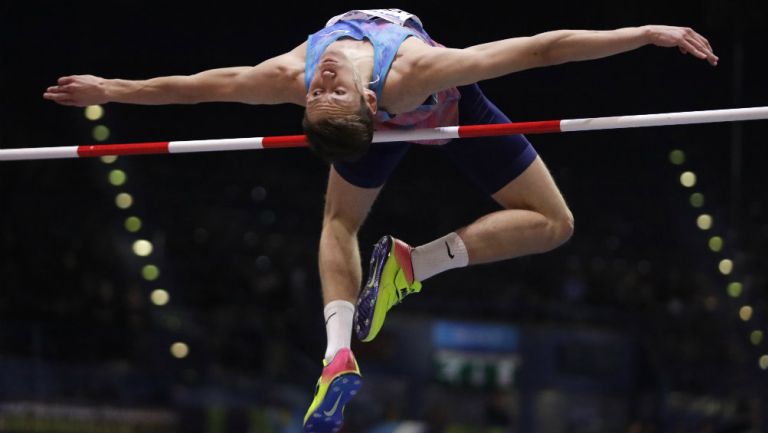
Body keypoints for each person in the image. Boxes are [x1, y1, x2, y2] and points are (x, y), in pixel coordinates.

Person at [43, 8, 718, 433]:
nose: (319, 81)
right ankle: (339, 353)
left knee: (553, 222)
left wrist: (642, 32)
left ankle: (406, 267)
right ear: (368, 103)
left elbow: (540, 49)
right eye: (324, 91)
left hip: (439, 111)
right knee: (337, 221)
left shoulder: (324, 74)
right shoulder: (392, 76)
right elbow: (201, 86)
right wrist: (111, 92)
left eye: (320, 91)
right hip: (425, 111)